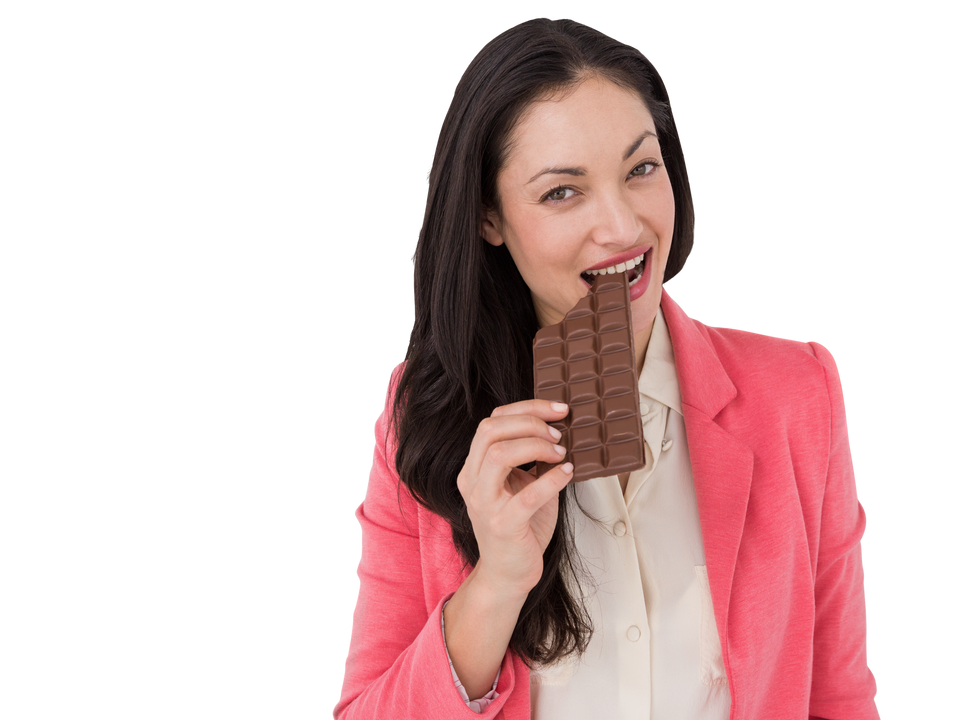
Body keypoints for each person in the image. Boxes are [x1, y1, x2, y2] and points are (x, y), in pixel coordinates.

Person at [332, 15, 881, 720]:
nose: (623, 228)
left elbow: (840, 701)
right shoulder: (425, 417)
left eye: (640, 169)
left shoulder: (797, 391)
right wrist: (496, 584)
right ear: (488, 217)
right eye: (563, 191)